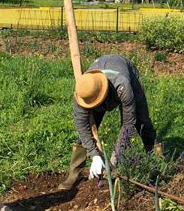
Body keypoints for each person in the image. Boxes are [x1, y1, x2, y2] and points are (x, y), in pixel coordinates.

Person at [59, 55, 160, 190]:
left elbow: (128, 124)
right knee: (85, 133)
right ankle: (73, 174)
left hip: (125, 72)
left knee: (143, 123)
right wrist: (94, 155)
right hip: (98, 83)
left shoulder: (122, 86)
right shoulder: (83, 92)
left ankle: (158, 166)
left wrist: (115, 159)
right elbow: (82, 126)